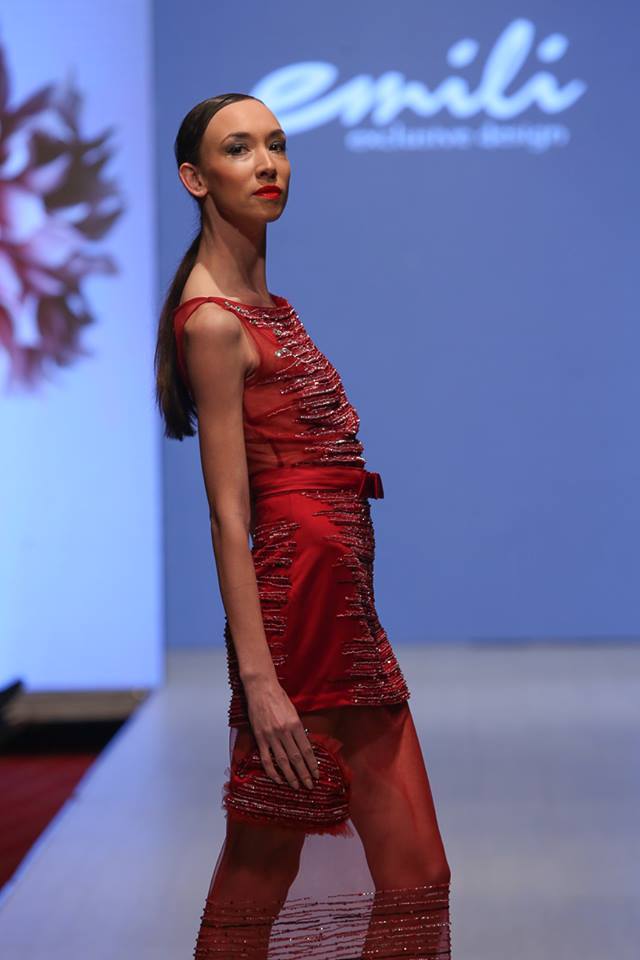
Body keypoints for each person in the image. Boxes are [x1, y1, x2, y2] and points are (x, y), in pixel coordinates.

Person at [155, 92, 452, 959]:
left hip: (344, 610)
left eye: (277, 145)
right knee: (263, 864)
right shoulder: (215, 322)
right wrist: (260, 683)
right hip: (298, 623)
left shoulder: (269, 307)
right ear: (195, 179)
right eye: (239, 149)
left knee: (415, 874)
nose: (267, 164)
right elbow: (228, 512)